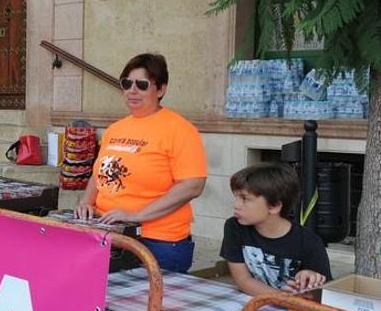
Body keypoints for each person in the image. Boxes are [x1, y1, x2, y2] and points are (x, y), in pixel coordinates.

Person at [74, 53, 207, 273]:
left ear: (161, 89)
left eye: (142, 85)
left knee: (151, 307)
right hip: (109, 232)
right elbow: (100, 173)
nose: (132, 91)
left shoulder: (180, 130)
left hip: (158, 241)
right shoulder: (115, 129)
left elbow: (193, 185)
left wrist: (137, 216)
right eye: (126, 84)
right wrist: (87, 201)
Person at [220, 162, 331, 297]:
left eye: (244, 199)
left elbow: (324, 295)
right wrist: (281, 297)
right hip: (257, 303)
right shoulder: (235, 227)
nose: (236, 205)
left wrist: (311, 282)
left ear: (274, 206)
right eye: (236, 197)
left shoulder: (309, 242)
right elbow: (243, 280)